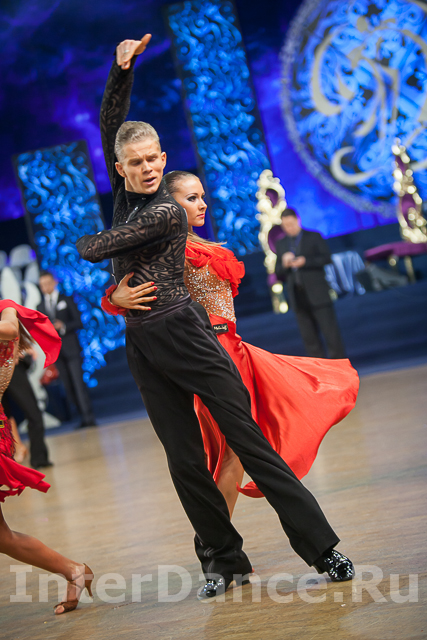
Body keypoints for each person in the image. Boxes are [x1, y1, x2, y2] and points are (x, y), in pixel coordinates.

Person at [77, 35, 355, 599]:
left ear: (163, 159)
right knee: (183, 460)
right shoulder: (127, 195)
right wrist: (121, 70)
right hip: (143, 343)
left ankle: (323, 548)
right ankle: (223, 562)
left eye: (154, 158)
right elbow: (110, 123)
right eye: (136, 162)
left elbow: (93, 246)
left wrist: (112, 282)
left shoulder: (163, 211)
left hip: (188, 333)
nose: (148, 167)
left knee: (249, 443)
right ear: (120, 168)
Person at [106, 170, 359, 518]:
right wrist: (116, 297)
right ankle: (217, 540)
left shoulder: (197, 244)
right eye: (191, 198)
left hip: (234, 347)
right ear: (167, 204)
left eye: (202, 197)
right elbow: (131, 289)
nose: (202, 204)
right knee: (233, 451)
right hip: (210, 350)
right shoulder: (166, 250)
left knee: (241, 446)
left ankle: (218, 539)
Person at [0, 300, 93, 615]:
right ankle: (73, 570)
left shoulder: (6, 312)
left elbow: (9, 328)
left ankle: (73, 570)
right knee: (3, 537)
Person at [275, 209, 346, 359]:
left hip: (318, 293)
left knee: (331, 334)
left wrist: (305, 261)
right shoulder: (281, 244)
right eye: (285, 226)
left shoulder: (313, 236)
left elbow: (327, 258)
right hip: (298, 296)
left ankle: (339, 365)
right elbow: (278, 272)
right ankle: (318, 368)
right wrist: (285, 264)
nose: (289, 228)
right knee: (309, 338)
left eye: (291, 224)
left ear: (298, 220)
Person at [37, 271, 96, 428]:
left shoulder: (66, 299)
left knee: (78, 384)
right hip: (56, 353)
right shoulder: (40, 306)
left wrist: (63, 326)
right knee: (68, 387)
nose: (45, 287)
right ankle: (81, 415)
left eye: (47, 283)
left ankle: (88, 417)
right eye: (42, 285)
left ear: (54, 282)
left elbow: (78, 322)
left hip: (71, 348)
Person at [2, 350, 53, 469]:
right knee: (3, 417)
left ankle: (37, 457)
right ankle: (15, 451)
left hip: (10, 365)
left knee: (32, 413)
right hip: (8, 363)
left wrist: (19, 348)